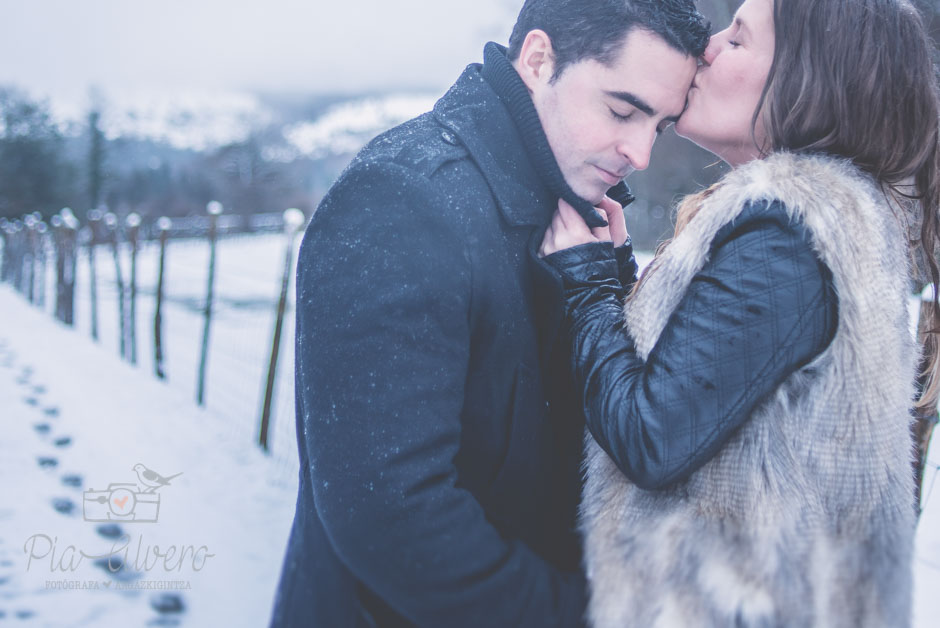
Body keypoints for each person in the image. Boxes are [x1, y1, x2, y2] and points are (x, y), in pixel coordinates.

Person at [269, 1, 710, 626]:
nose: (640, 151)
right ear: (538, 59)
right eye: (621, 110)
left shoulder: (575, 213)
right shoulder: (402, 199)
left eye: (659, 126)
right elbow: (393, 517)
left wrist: (612, 286)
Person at [539, 0, 940, 625]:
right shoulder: (824, 224)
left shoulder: (786, 239)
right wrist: (618, 268)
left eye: (739, 38)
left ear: (805, 81)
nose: (709, 47)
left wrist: (587, 284)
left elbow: (652, 437)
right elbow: (707, 388)